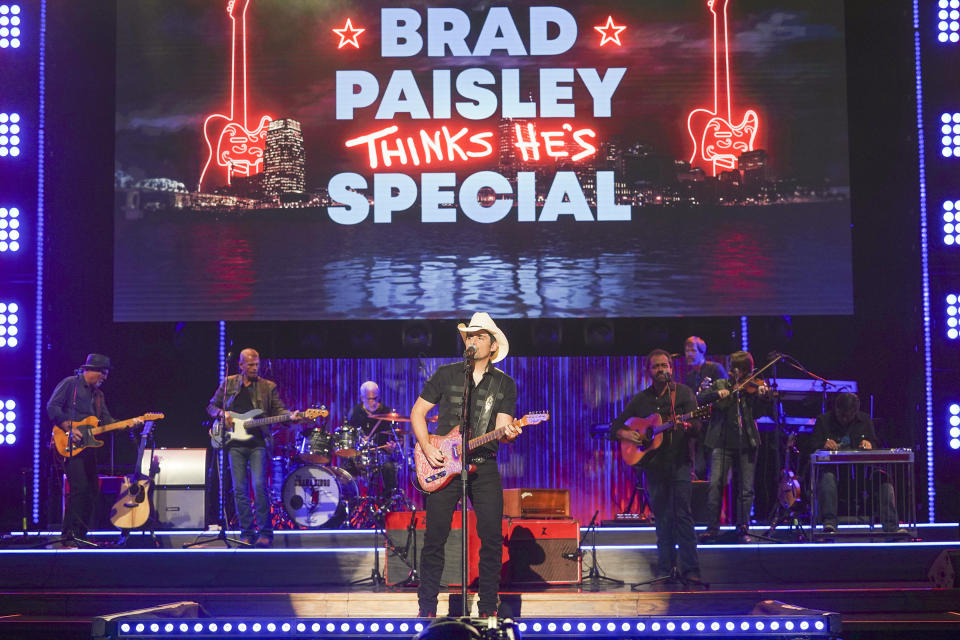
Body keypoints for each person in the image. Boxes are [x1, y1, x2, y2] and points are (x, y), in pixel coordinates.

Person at [412, 312, 520, 618]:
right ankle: (427, 610)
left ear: (493, 345)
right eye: (469, 336)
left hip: (482, 465)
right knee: (435, 538)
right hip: (443, 463)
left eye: (479, 336)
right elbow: (417, 413)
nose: (472, 341)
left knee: (490, 538)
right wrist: (427, 448)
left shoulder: (504, 384)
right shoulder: (447, 374)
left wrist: (510, 433)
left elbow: (503, 427)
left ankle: (488, 610)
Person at [610, 349, 701, 584]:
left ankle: (690, 569)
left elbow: (698, 425)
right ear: (648, 371)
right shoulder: (642, 400)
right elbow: (616, 427)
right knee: (662, 518)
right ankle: (665, 567)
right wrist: (630, 435)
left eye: (665, 365)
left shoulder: (683, 394)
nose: (661, 370)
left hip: (680, 463)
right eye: (656, 366)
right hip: (654, 466)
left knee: (683, 516)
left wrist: (689, 427)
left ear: (671, 368)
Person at [207, 348, 298, 548]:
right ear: (240, 365)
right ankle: (246, 533)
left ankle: (265, 533)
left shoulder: (268, 387)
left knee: (259, 487)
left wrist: (290, 417)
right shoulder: (229, 383)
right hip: (234, 444)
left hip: (258, 445)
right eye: (250, 365)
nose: (255, 368)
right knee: (240, 490)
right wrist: (224, 415)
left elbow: (279, 410)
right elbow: (211, 406)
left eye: (257, 364)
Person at [47, 353, 127, 545]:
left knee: (92, 489)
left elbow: (105, 420)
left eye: (106, 374)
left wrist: (126, 424)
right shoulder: (70, 384)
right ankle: (68, 534)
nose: (105, 378)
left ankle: (81, 534)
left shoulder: (99, 396)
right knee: (79, 488)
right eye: (103, 373)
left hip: (88, 448)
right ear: (89, 370)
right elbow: (52, 407)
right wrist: (69, 427)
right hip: (68, 443)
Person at [699, 350, 770, 543]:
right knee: (715, 484)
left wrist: (764, 397)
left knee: (746, 489)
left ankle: (743, 527)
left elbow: (757, 414)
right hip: (721, 442)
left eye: (746, 370)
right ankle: (712, 529)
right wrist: (717, 393)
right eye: (739, 369)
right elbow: (702, 398)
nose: (745, 375)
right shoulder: (722, 384)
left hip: (747, 442)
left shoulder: (753, 388)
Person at [811, 393, 905, 534]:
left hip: (862, 475)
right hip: (835, 474)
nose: (844, 419)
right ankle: (829, 523)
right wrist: (823, 445)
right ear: (835, 409)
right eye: (841, 415)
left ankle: (891, 526)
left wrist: (870, 444)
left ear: (855, 412)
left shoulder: (865, 420)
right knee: (827, 478)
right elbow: (811, 446)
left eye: (848, 416)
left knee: (883, 480)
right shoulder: (824, 421)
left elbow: (876, 443)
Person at [346, 380, 400, 502]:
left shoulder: (386, 413)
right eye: (369, 399)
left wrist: (392, 446)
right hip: (360, 455)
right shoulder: (355, 413)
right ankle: (351, 505)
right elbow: (349, 436)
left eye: (375, 398)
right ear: (362, 397)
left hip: (381, 454)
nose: (373, 402)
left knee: (389, 467)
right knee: (346, 469)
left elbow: (397, 437)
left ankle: (387, 504)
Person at [683, 336, 727, 479]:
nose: (688, 354)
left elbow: (727, 394)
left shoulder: (715, 369)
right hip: (700, 429)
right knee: (699, 469)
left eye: (693, 350)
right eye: (687, 350)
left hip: (716, 427)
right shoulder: (690, 375)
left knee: (714, 470)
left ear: (702, 352)